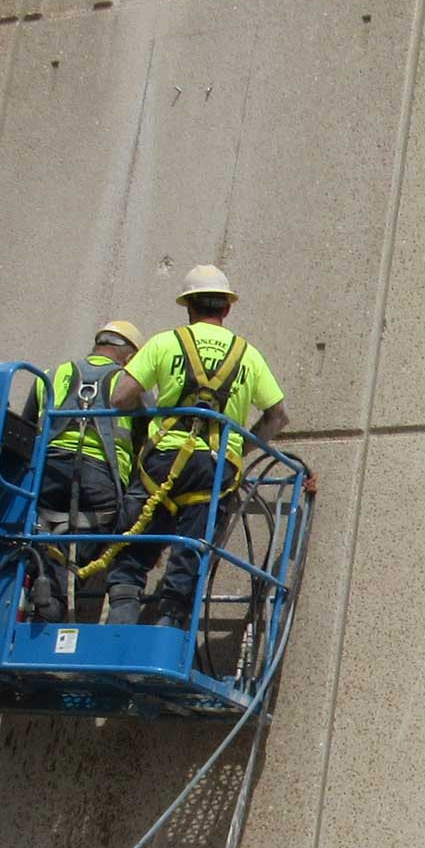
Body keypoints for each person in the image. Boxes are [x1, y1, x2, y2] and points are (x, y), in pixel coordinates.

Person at [103, 267, 291, 627]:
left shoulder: (164, 343)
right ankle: (167, 632)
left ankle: (119, 636)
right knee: (189, 556)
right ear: (227, 309)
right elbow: (278, 416)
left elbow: (119, 397)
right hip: (215, 469)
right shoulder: (247, 355)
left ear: (188, 306)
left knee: (130, 555)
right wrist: (242, 448)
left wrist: (151, 411)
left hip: (161, 463)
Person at [25, 319, 143, 624]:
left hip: (48, 476)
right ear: (130, 356)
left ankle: (49, 604)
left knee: (46, 538)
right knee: (110, 540)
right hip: (100, 482)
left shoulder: (51, 375)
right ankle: (93, 617)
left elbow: (25, 431)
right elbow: (148, 441)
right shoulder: (130, 382)